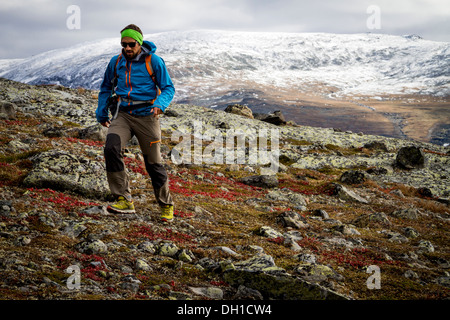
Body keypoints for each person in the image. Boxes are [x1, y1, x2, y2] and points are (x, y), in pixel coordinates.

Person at [96, 24, 175, 221]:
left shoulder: (154, 61)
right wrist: (101, 110)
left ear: (139, 43)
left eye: (131, 44)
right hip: (123, 115)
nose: (128, 48)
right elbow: (106, 87)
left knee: (153, 163)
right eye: (124, 44)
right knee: (111, 148)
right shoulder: (116, 62)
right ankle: (124, 199)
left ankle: (166, 205)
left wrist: (160, 104)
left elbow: (168, 88)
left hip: (147, 115)